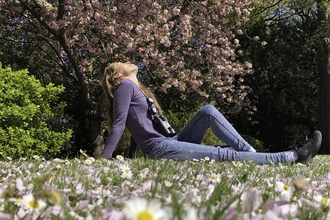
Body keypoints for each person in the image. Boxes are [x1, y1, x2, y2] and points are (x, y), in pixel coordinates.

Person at [100, 61, 322, 164]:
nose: (127, 61)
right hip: (161, 149)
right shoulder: (124, 87)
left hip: (169, 141)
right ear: (117, 76)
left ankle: (253, 156)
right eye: (121, 63)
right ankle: (293, 157)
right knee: (223, 154)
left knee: (208, 111)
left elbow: (139, 128)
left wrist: (131, 157)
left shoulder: (136, 89)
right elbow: (119, 123)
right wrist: (104, 158)